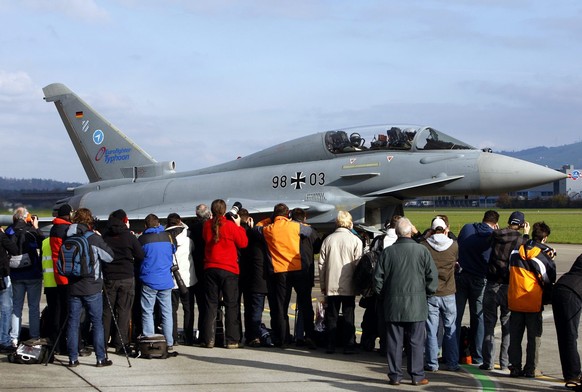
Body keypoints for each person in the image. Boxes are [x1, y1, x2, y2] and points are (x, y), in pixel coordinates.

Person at [374, 217, 438, 386]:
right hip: (417, 304)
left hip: (393, 304)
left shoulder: (387, 252)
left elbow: (377, 279)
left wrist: (383, 296)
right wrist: (427, 294)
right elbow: (432, 277)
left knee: (394, 342)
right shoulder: (422, 251)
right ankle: (417, 376)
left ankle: (395, 375)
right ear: (410, 232)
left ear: (396, 233)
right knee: (416, 342)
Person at [255, 203, 316, 348]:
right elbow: (309, 231)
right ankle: (310, 337)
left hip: (280, 272)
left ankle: (283, 340)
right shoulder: (295, 226)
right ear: (287, 214)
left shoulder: (268, 229)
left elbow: (257, 227)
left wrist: (270, 219)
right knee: (306, 305)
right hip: (298, 269)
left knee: (281, 307)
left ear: (274, 215)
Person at [481, 211, 530, 371]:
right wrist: (527, 234)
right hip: (508, 285)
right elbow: (526, 253)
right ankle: (504, 362)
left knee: (488, 324)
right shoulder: (520, 240)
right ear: (521, 224)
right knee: (507, 326)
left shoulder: (496, 234)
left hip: (492, 283)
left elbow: (492, 234)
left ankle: (487, 362)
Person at [65, 208, 114, 367]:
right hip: (92, 286)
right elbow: (109, 257)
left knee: (73, 323)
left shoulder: (69, 237)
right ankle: (100, 358)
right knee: (97, 322)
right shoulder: (93, 238)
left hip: (73, 285)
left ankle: (73, 358)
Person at [507, 221, 556, 378]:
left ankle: (514, 367)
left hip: (515, 299)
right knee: (534, 338)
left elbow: (510, 268)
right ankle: (530, 368)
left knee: (515, 337)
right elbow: (549, 278)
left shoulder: (516, 251)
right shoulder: (539, 255)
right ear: (544, 238)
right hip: (532, 300)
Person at [200, 199, 248, 349]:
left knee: (211, 305)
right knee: (231, 304)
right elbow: (243, 243)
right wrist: (239, 226)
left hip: (211, 267)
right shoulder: (230, 226)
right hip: (228, 269)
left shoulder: (207, 225)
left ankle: (209, 339)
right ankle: (232, 339)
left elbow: (206, 238)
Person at [455, 210, 499, 365]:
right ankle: (478, 355)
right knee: (478, 317)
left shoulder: (467, 228)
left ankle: (453, 353)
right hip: (479, 278)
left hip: (461, 275)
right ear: (495, 224)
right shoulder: (492, 236)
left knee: (456, 316)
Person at [319, 210, 363, 354]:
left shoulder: (328, 239)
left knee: (331, 315)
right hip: (349, 284)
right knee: (349, 314)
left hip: (332, 283)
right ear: (350, 222)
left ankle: (330, 344)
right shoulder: (356, 240)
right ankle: (349, 344)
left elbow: (322, 265)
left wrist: (323, 285)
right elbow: (358, 265)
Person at [102, 209, 144, 354]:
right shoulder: (129, 236)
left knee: (107, 311)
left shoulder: (105, 236)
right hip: (126, 276)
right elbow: (140, 255)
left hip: (109, 277)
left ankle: (102, 342)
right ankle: (121, 343)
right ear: (125, 220)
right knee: (124, 311)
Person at [421, 217, 460, 372]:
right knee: (450, 328)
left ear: (431, 230)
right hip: (449, 291)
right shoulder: (454, 246)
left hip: (431, 292)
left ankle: (432, 363)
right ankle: (452, 362)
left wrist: (426, 236)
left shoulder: (424, 246)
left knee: (431, 329)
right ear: (445, 229)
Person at [6, 207, 44, 346]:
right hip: (33, 273)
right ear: (26, 217)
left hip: (16, 274)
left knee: (16, 307)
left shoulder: (9, 230)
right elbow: (42, 242)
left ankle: (14, 338)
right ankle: (34, 336)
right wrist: (36, 227)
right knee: (34, 307)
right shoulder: (32, 232)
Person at [139, 213, 175, 349]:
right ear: (158, 224)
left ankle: (149, 339)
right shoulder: (168, 237)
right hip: (166, 279)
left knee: (147, 311)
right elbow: (173, 250)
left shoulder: (143, 239)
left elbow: (139, 255)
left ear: (145, 225)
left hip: (149, 279)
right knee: (167, 312)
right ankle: (169, 342)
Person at [49, 203, 81, 355]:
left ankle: (57, 343)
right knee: (70, 313)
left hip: (57, 273)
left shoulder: (55, 228)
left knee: (59, 310)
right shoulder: (67, 230)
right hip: (67, 274)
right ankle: (73, 345)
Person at [289, 207, 321, 347]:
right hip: (305, 271)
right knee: (306, 306)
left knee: (282, 303)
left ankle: (285, 336)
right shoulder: (311, 231)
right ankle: (308, 336)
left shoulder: (287, 229)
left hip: (288, 269)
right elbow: (317, 247)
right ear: (305, 218)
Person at [238, 208, 269, 347]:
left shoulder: (238, 235)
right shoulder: (257, 237)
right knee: (254, 309)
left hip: (238, 277)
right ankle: (253, 336)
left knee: (235, 308)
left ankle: (239, 335)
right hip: (257, 279)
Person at [165, 213, 197, 346]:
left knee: (172, 309)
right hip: (188, 278)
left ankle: (173, 337)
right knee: (188, 309)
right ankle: (188, 337)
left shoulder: (164, 238)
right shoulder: (188, 237)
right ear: (180, 222)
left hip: (171, 279)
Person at [553, 253, 582, 382]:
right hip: (572, 291)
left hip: (563, 288)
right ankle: (573, 375)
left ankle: (572, 375)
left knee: (566, 335)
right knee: (569, 335)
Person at [189, 203, 211, 340]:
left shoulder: (192, 229)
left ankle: (191, 335)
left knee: (194, 305)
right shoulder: (211, 227)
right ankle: (206, 335)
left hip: (195, 270)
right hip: (208, 269)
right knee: (208, 305)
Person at [0, 226, 19, 352]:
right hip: (2, 275)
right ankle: (3, 340)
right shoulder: (1, 236)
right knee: (6, 309)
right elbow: (14, 249)